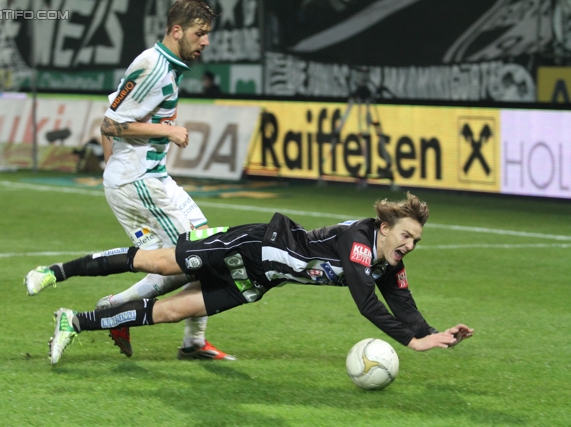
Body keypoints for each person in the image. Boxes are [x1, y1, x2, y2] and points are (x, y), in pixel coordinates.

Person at [25, 0, 235, 361]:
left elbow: (110, 114)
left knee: (195, 252)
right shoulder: (153, 67)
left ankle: (130, 315)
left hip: (147, 179)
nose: (206, 42)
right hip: (142, 184)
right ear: (176, 31)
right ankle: (123, 318)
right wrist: (164, 134)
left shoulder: (162, 66)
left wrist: (115, 169)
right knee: (196, 259)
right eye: (200, 34)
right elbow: (110, 124)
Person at [43, 192, 474, 365]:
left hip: (260, 279)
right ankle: (60, 271)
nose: (410, 246)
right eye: (406, 236)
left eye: (416, 240)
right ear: (385, 229)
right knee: (155, 264)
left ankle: (74, 322)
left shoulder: (387, 260)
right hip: (252, 245)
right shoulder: (360, 240)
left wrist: (433, 333)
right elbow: (366, 300)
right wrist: (411, 341)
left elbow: (402, 303)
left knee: (173, 311)